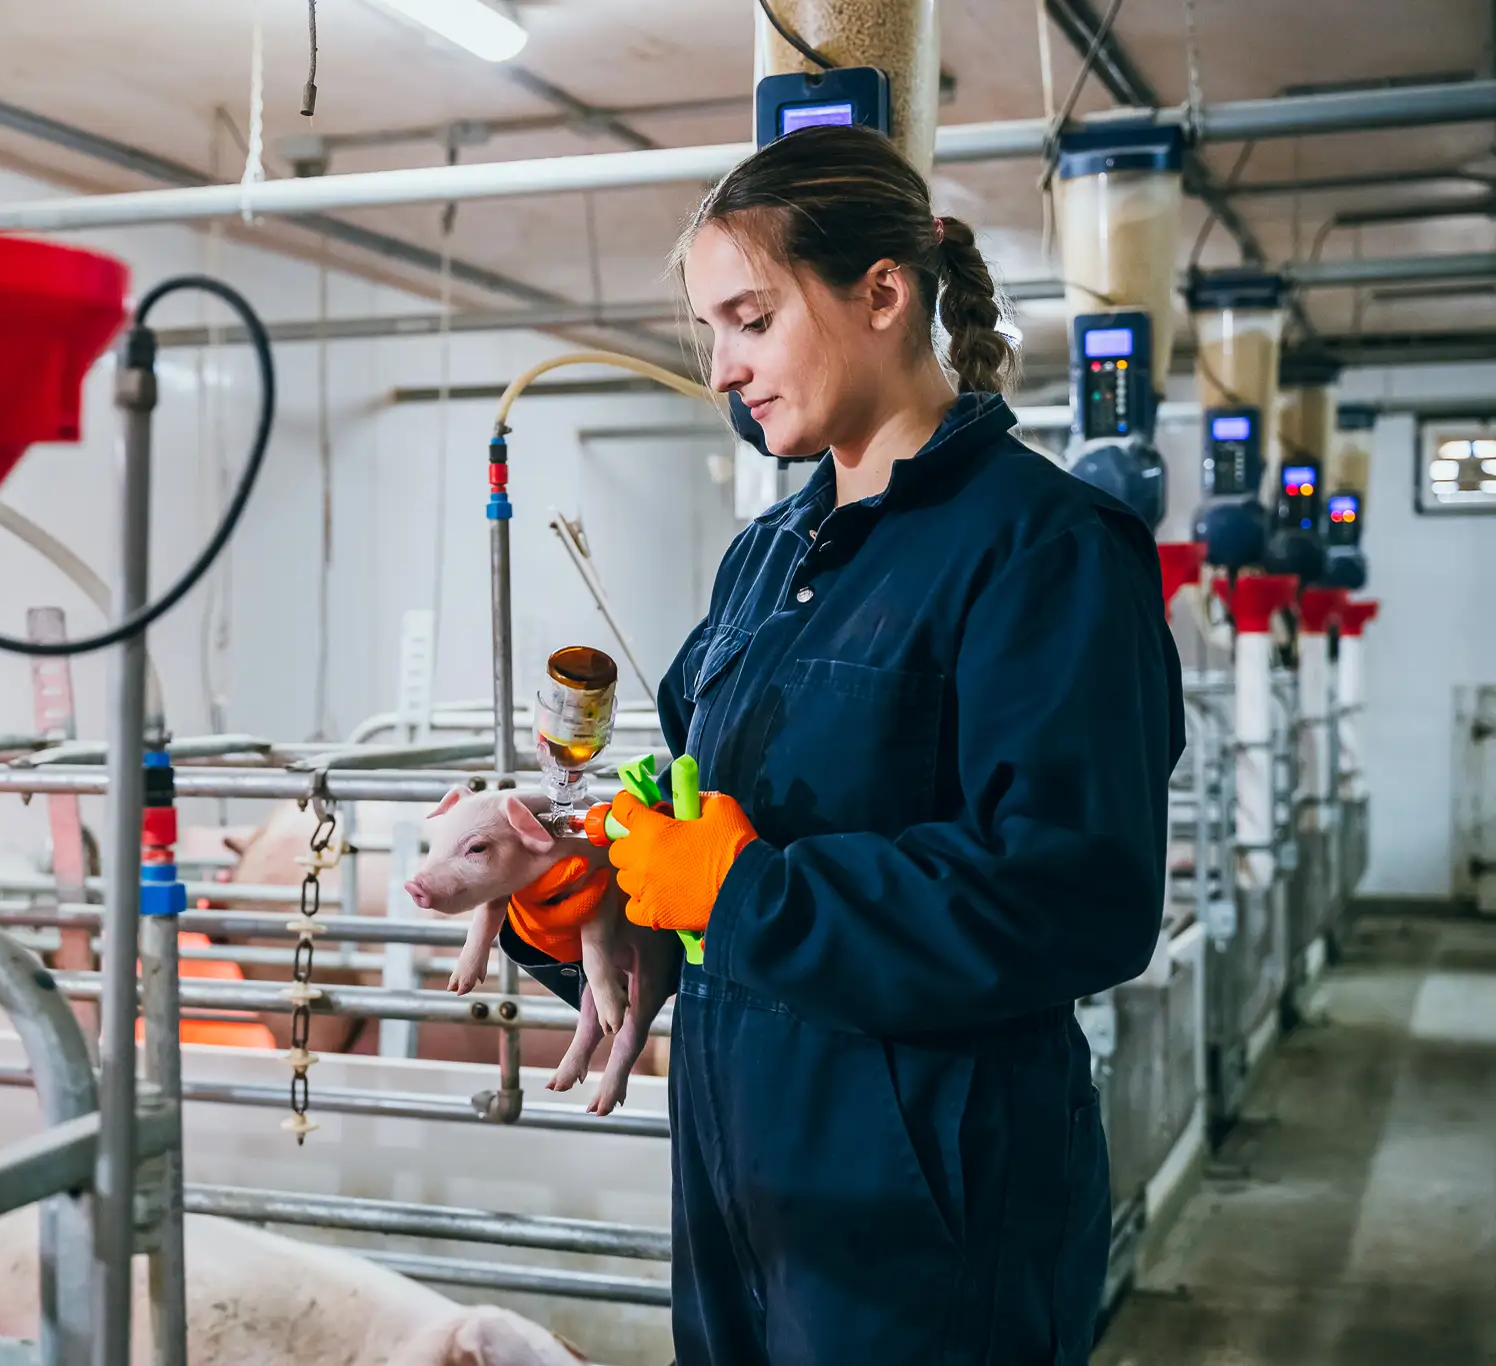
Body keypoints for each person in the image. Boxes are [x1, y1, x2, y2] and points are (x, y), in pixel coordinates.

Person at [507, 125, 1184, 1363]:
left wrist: (741, 890)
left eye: (749, 319)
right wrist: (593, 904)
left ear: (881, 293)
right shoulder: (765, 559)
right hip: (739, 1161)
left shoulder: (1045, 548)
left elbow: (1073, 891)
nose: (720, 369)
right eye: (709, 330)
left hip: (929, 1193)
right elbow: (704, 847)